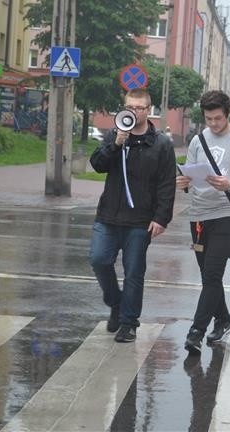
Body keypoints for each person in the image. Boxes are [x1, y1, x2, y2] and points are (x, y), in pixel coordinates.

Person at [89, 88, 176, 343]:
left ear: (148, 111)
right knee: (98, 260)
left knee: (134, 272)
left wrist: (161, 218)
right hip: (108, 216)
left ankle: (128, 323)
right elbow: (97, 165)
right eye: (129, 107)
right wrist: (115, 144)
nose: (134, 111)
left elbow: (167, 184)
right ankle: (115, 302)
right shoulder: (115, 134)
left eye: (139, 108)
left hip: (140, 220)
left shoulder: (161, 144)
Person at [178, 90, 230, 355]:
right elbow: (190, 175)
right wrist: (184, 183)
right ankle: (223, 320)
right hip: (199, 216)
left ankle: (196, 332)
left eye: (217, 118)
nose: (213, 124)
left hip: (227, 214)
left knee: (213, 274)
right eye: (208, 118)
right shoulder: (198, 140)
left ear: (227, 114)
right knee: (208, 277)